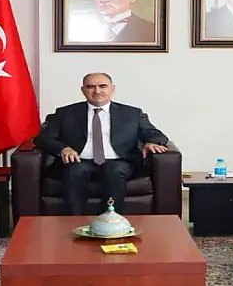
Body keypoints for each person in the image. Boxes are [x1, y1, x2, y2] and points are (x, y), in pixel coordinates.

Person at [34, 73, 168, 215]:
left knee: (114, 170)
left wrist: (151, 142)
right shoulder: (65, 113)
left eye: (102, 86)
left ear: (112, 89)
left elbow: (155, 134)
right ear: (83, 90)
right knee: (75, 170)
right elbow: (43, 138)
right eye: (90, 87)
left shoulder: (132, 114)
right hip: (79, 161)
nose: (97, 91)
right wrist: (63, 148)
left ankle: (111, 221)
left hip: (119, 162)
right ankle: (74, 221)